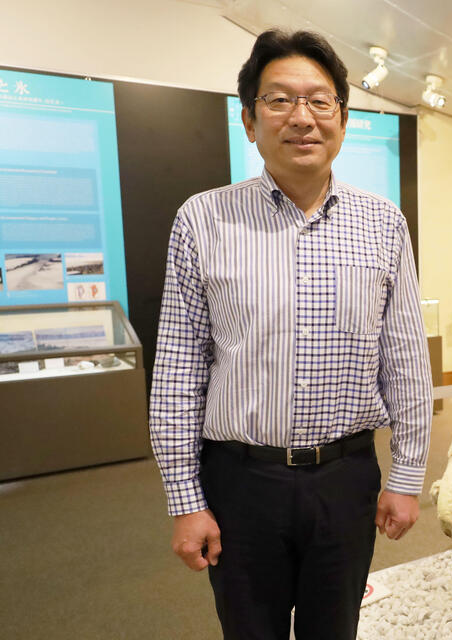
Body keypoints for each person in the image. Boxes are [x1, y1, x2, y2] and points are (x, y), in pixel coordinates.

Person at [149, 29, 432, 640]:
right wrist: (185, 500)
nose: (302, 117)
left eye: (319, 101)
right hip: (241, 482)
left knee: (336, 631)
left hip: (347, 478)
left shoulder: (383, 223)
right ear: (250, 121)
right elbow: (178, 368)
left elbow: (404, 359)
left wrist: (407, 477)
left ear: (343, 119)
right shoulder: (204, 218)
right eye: (279, 100)